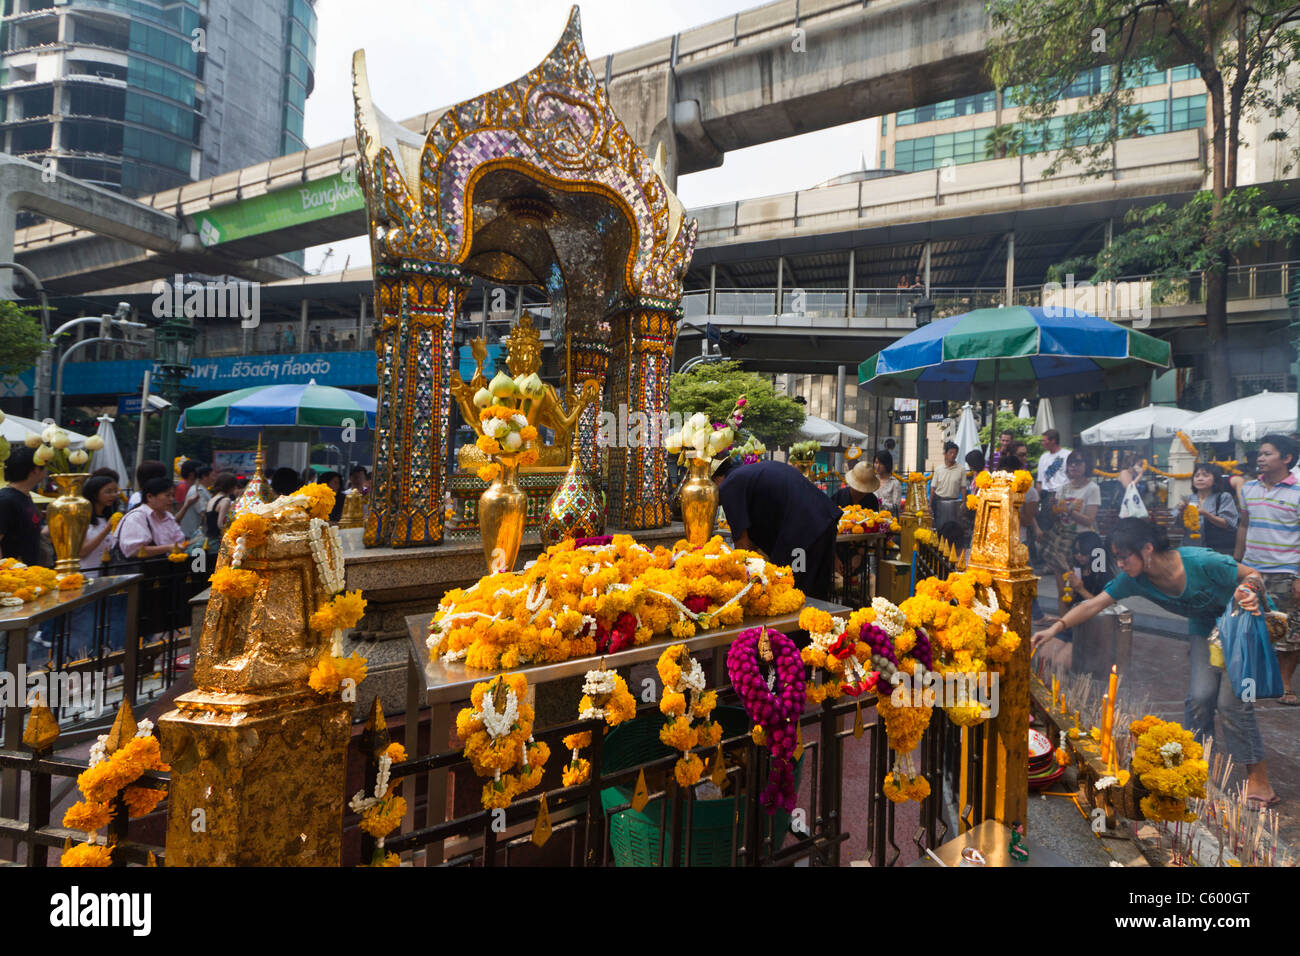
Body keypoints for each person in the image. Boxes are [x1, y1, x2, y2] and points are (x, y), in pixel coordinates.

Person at [1033, 518, 1279, 809]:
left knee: (1231, 703)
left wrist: (1248, 591)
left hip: (1242, 626)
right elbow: (1093, 604)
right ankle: (1192, 766)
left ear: (1147, 549)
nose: (1121, 565)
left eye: (1125, 557)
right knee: (1200, 697)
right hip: (1205, 630)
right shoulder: (1133, 579)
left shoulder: (1200, 561)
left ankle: (1259, 780)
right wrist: (1055, 628)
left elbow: (1253, 575)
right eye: (1117, 558)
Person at [713, 457, 841, 600]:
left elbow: (743, 546)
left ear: (714, 480)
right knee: (817, 594)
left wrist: (739, 583)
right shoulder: (745, 475)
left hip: (803, 534)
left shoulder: (729, 485)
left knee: (795, 591)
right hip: (822, 522)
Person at [1235, 433, 1300, 706]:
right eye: (1259, 454)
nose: (1260, 458)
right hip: (1251, 571)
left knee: (1289, 629)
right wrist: (1234, 563)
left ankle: (1284, 684)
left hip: (1286, 571)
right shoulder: (1248, 489)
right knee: (1249, 625)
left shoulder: (1298, 491)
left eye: (1267, 453)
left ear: (1286, 458)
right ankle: (1252, 680)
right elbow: (1243, 526)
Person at [1040, 451, 1101, 583]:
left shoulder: (1092, 488)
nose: (1073, 466)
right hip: (1061, 541)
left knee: (1078, 587)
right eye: (1070, 463)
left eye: (1078, 463)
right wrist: (1053, 509)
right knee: (1062, 589)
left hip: (1081, 543)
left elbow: (1089, 520)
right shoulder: (1062, 488)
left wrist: (1069, 511)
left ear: (1086, 466)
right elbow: (1055, 519)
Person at [116, 477, 187, 559]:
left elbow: (179, 540)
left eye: (172, 495)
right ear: (149, 497)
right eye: (167, 495)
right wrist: (167, 548)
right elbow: (133, 550)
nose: (171, 499)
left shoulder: (168, 516)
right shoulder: (137, 517)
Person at [0, 446, 48, 565]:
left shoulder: (25, 496)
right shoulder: (5, 500)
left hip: (30, 575)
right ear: (35, 469)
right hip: (14, 578)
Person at [1177, 462, 1238, 554]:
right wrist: (1181, 511)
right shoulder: (1187, 499)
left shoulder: (1223, 497)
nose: (1200, 479)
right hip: (1190, 548)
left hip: (1216, 550)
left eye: (1205, 476)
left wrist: (1206, 514)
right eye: (1196, 476)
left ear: (1215, 480)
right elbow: (1179, 525)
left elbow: (1228, 523)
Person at [79, 474, 120, 573]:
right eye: (108, 492)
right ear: (94, 494)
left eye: (115, 491)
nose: (113, 495)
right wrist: (107, 529)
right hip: (87, 572)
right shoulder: (82, 518)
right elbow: (81, 551)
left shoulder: (109, 517)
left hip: (109, 573)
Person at [930, 441, 965, 529]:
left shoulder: (961, 469)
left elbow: (963, 487)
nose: (953, 455)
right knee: (939, 527)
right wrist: (929, 505)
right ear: (945, 454)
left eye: (955, 453)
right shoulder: (938, 469)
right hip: (938, 501)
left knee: (952, 527)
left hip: (953, 503)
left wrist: (964, 503)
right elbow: (933, 488)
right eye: (951, 453)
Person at [175, 463, 212, 543]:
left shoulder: (201, 489)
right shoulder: (198, 491)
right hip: (194, 536)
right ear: (204, 476)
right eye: (212, 475)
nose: (214, 478)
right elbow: (204, 514)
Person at [204, 471, 239, 541]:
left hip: (208, 539)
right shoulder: (226, 500)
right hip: (217, 541)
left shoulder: (212, 499)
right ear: (230, 486)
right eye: (234, 485)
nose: (236, 488)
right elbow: (221, 524)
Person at [874, 450, 902, 515]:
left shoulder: (895, 483)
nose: (877, 466)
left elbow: (896, 507)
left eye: (881, 463)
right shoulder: (872, 480)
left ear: (887, 464)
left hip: (888, 521)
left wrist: (881, 504)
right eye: (876, 462)